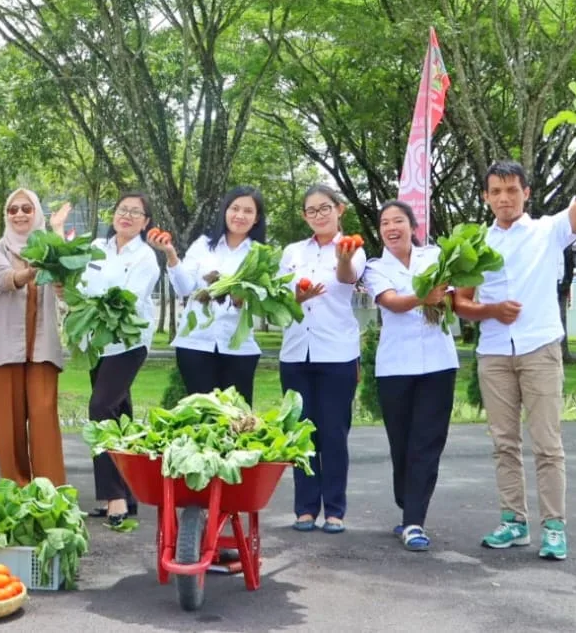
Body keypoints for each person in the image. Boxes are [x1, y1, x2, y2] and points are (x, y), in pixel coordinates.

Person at [453, 153, 576, 561]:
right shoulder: (476, 244)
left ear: (526, 193)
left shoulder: (549, 231)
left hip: (540, 348)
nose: (504, 198)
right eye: (496, 192)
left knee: (548, 443)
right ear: (486, 197)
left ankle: (554, 526)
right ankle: (513, 521)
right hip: (494, 354)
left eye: (512, 190)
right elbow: (460, 303)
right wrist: (491, 311)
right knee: (504, 443)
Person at [361, 201, 455, 551]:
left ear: (412, 225)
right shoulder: (374, 268)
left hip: (438, 364)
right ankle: (407, 501)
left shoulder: (435, 257)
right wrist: (423, 296)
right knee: (401, 445)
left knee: (426, 444)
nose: (391, 227)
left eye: (398, 220)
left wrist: (442, 296)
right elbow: (392, 302)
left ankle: (414, 520)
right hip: (396, 367)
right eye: (385, 222)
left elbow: (451, 295)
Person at [278, 184, 365, 534]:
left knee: (332, 432)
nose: (318, 215)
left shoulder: (353, 247)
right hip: (296, 351)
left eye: (325, 208)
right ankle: (304, 508)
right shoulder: (293, 251)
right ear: (304, 216)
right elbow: (283, 299)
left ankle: (335, 510)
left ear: (339, 209)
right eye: (311, 210)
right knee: (301, 432)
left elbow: (348, 277)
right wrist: (298, 297)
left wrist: (342, 257)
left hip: (336, 353)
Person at [0, 189, 72, 486]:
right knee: (9, 429)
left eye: (27, 209)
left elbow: (69, 291)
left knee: (45, 424)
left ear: (37, 214)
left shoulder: (52, 250)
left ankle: (51, 493)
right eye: (13, 209)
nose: (19, 214)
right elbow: (5, 279)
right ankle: (16, 493)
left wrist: (61, 282)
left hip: (42, 350)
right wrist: (33, 269)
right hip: (3, 352)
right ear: (6, 215)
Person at [82, 193, 160, 528]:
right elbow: (80, 284)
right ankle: (128, 494)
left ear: (145, 222)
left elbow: (127, 299)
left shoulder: (146, 257)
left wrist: (89, 298)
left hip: (128, 342)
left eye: (135, 212)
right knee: (120, 417)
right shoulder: (96, 246)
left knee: (100, 408)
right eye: (121, 210)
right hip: (97, 343)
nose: (126, 216)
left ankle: (113, 496)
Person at [150, 186, 267, 399]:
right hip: (195, 343)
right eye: (235, 208)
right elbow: (184, 288)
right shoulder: (203, 245)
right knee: (200, 416)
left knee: (236, 418)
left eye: (248, 211)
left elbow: (263, 300)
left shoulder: (260, 254)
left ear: (257, 218)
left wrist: (244, 300)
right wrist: (171, 254)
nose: (240, 215)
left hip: (238, 348)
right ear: (225, 211)